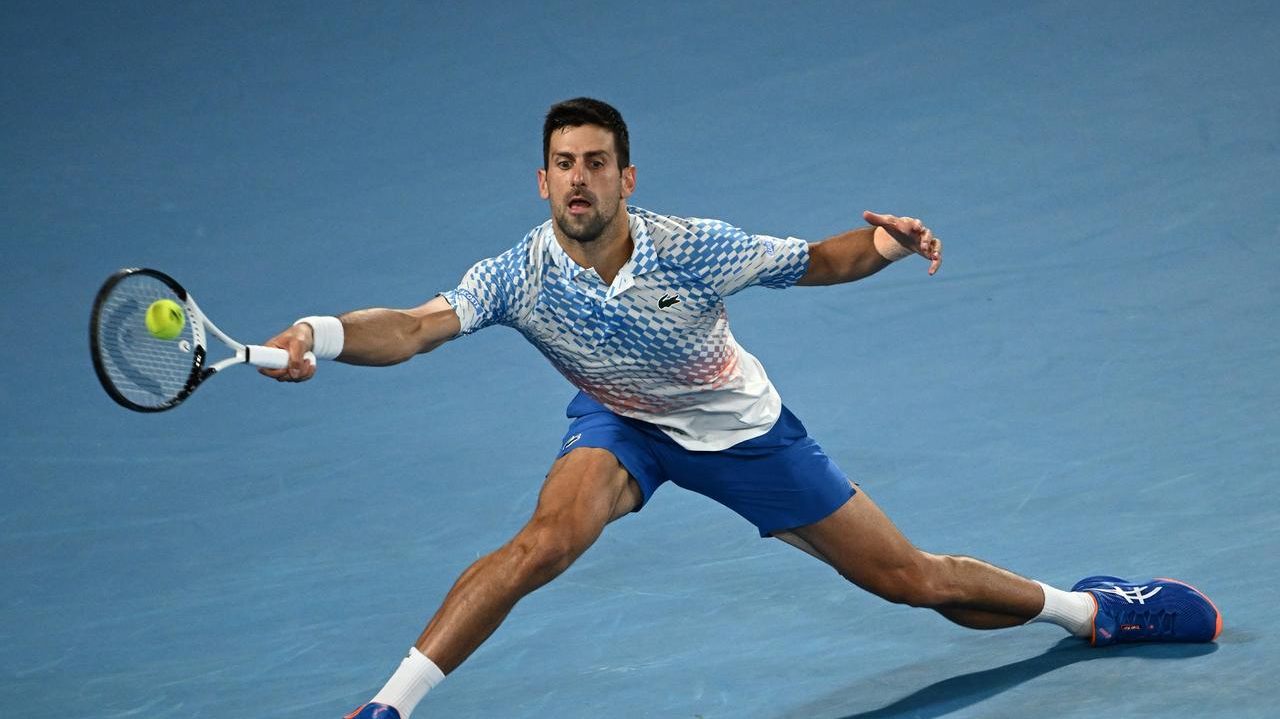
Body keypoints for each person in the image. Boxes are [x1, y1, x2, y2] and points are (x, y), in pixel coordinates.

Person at [260, 98, 1222, 719]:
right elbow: (417, 327)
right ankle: (385, 710)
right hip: (621, 426)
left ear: (626, 178)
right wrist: (319, 331)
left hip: (744, 435)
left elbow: (817, 260)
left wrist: (883, 246)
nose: (580, 179)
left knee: (913, 582)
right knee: (540, 545)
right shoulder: (516, 274)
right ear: (542, 179)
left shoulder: (695, 246)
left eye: (598, 162)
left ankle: (1093, 609)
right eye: (564, 163)